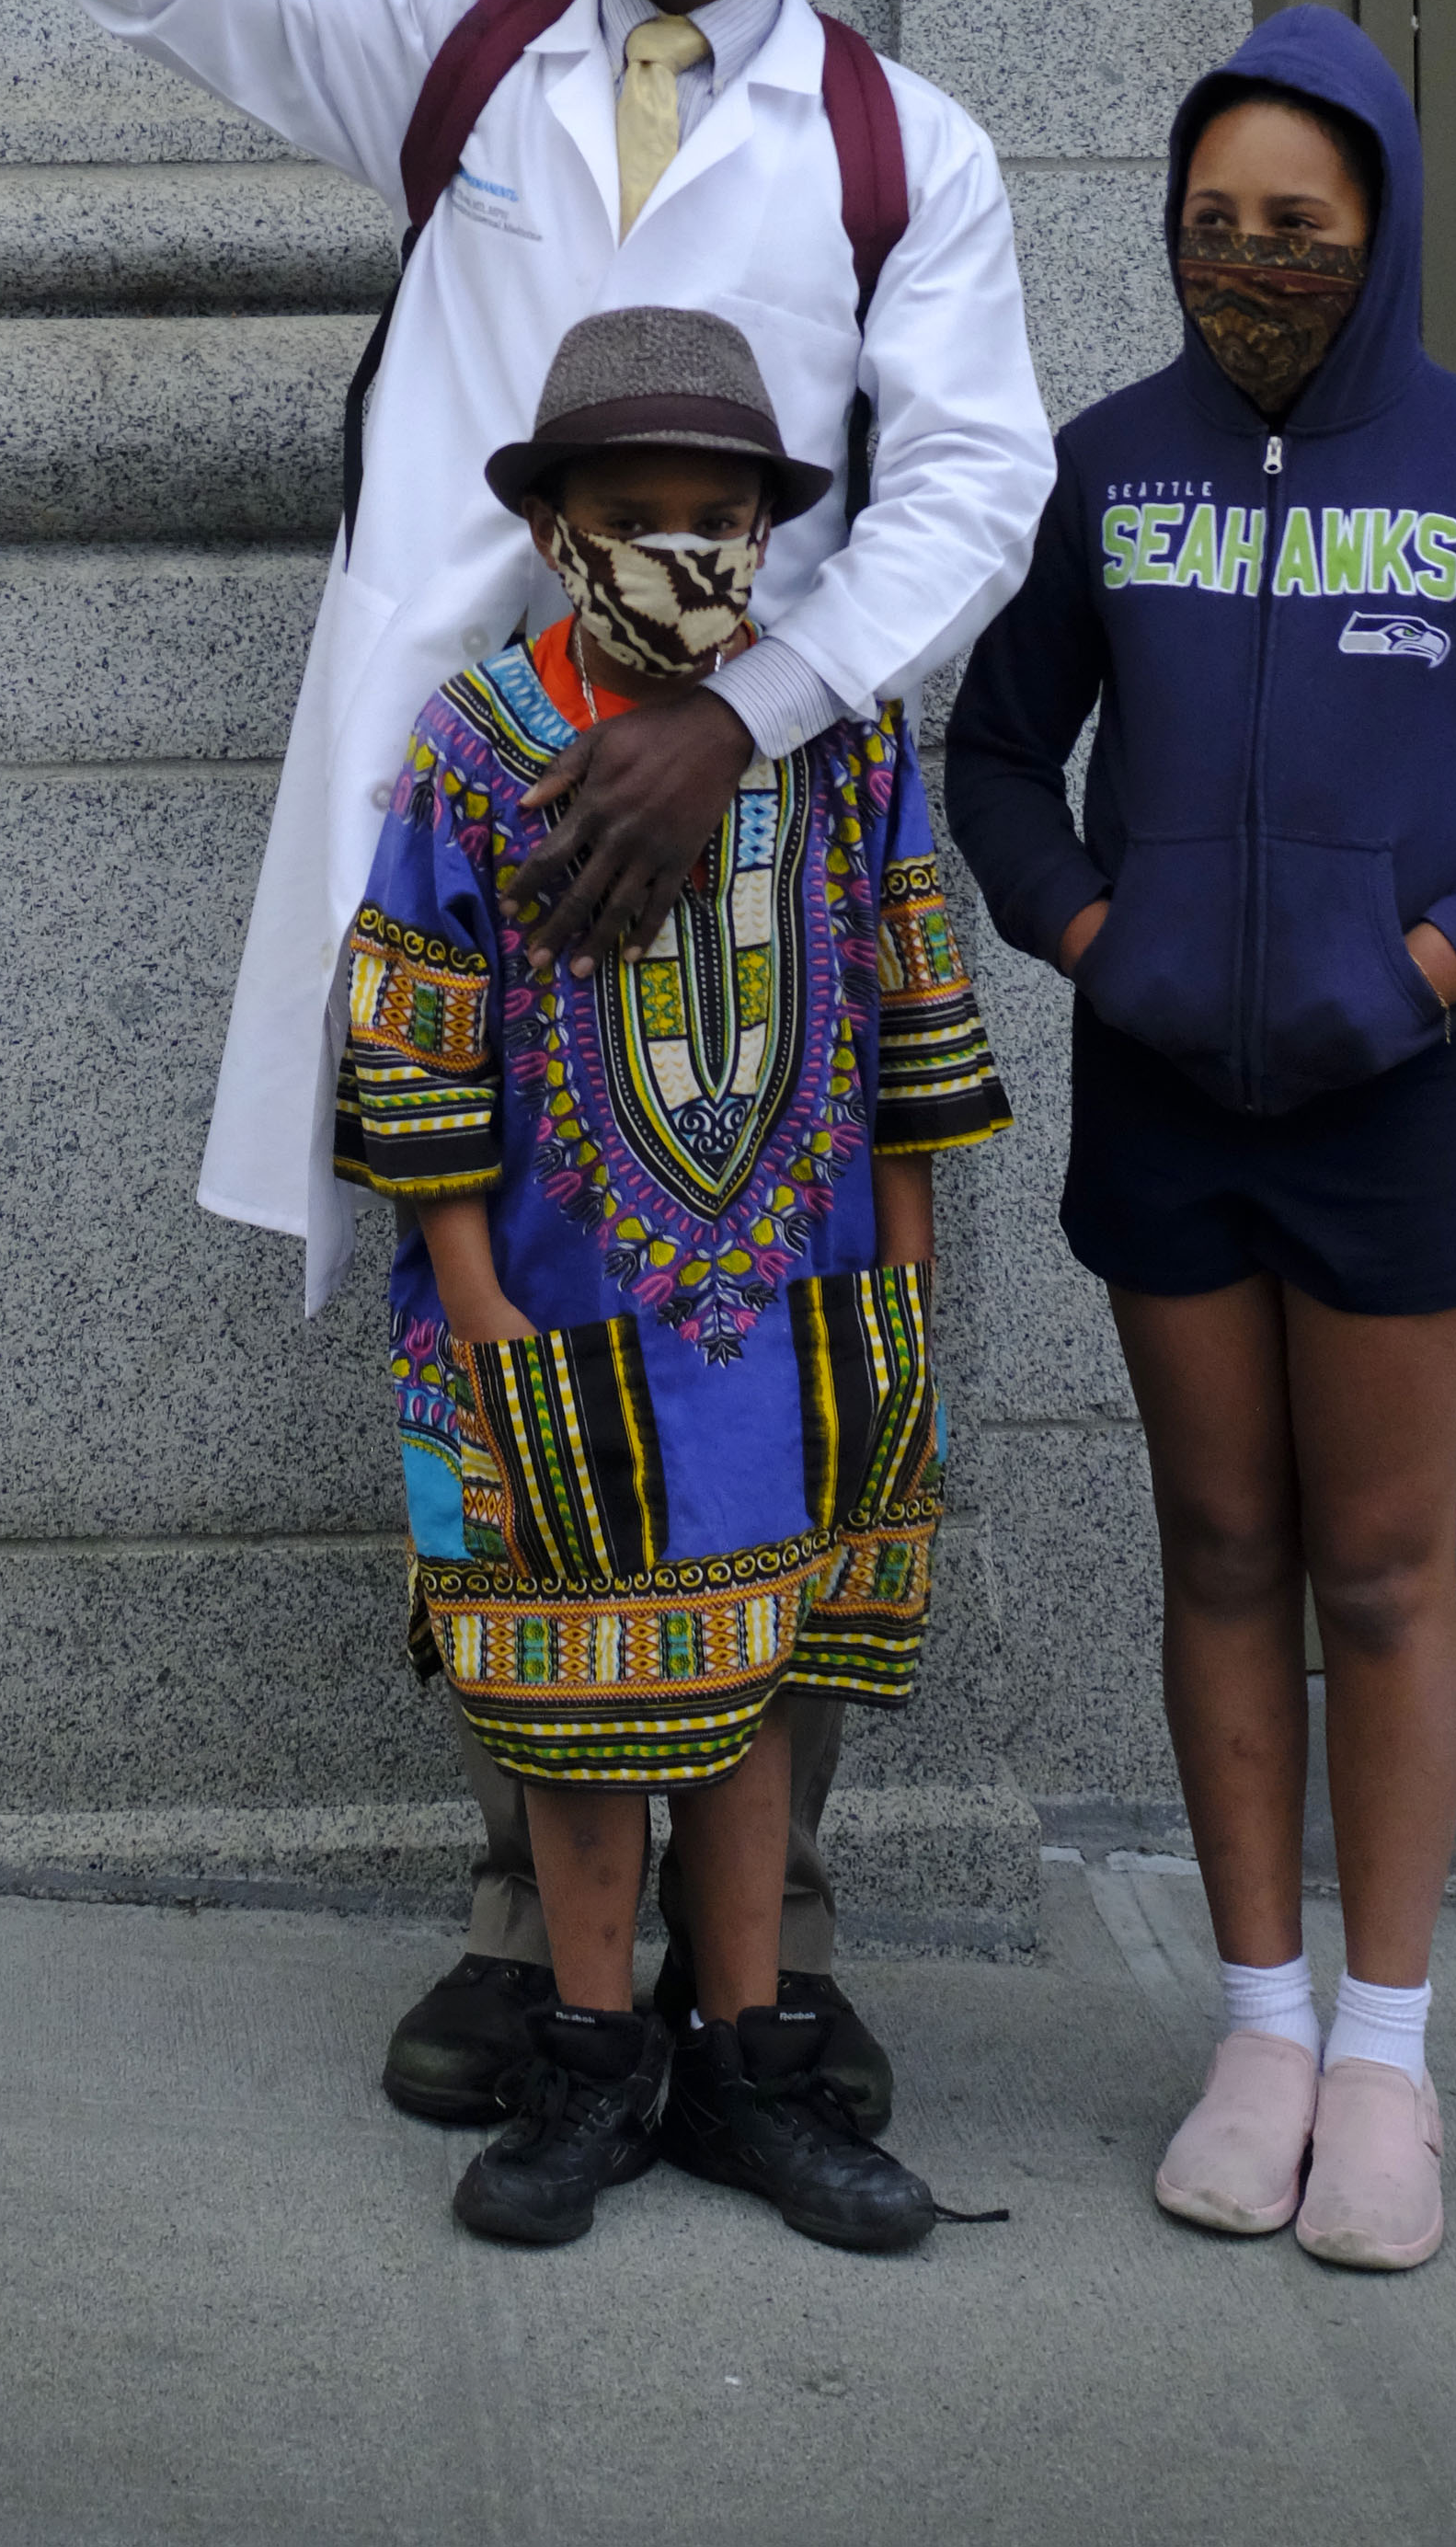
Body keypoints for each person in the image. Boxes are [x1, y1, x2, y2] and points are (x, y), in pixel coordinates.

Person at [45, 0, 1052, 2137]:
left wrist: (744, 718)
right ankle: (535, 1942)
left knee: (768, 1390)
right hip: (467, 859)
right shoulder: (461, 45)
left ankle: (769, 1957)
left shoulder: (895, 153)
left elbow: (974, 486)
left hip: (747, 871)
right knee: (501, 1381)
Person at [945, 5, 1456, 2273]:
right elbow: (989, 757)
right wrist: (1085, 927)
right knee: (1220, 1552)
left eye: (1299, 231)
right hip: (1165, 1107)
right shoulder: (1110, 468)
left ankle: (1384, 2057)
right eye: (1211, 227)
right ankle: (1254, 2031)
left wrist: (1431, 967)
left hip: (1391, 1113)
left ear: (1380, 233)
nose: (1249, 263)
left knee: (1379, 1572)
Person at [337, 306, 1012, 2251]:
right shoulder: (474, 750)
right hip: (545, 1325)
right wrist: (475, 1317)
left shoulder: (841, 738)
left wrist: (896, 1293)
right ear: (550, 527)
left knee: (752, 1687)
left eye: (726, 518)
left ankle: (749, 2060)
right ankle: (581, 2054)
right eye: (638, 513)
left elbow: (907, 1014)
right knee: (570, 1708)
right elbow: (409, 1043)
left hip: (793, 1324)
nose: (689, 556)